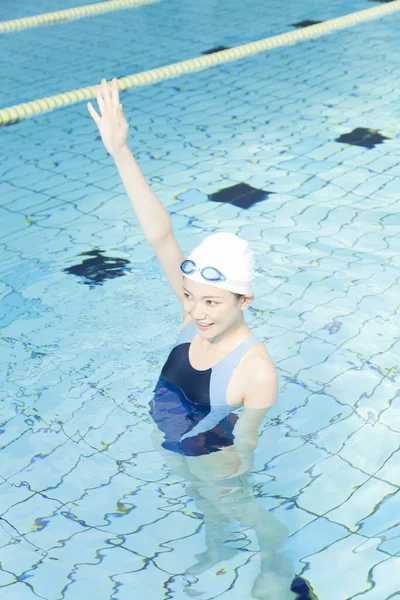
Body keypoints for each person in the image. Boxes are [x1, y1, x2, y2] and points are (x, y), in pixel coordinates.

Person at [88, 80, 305, 599]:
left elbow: (246, 444)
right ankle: (220, 548)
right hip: (176, 438)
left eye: (211, 302)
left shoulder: (256, 370)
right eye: (189, 296)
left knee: (231, 505)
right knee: (197, 497)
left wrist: (227, 480)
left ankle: (276, 558)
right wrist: (121, 152)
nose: (196, 312)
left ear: (243, 301)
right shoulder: (192, 314)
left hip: (214, 455)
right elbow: (160, 235)